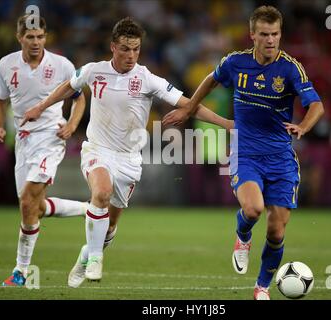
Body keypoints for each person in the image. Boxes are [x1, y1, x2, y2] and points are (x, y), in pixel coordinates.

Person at [21, 17, 233, 288]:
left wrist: (225, 123)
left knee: (109, 226)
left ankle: (88, 253)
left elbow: (190, 103)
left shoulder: (147, 78)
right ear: (113, 47)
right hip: (98, 149)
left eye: (136, 49)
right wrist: (41, 106)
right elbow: (68, 87)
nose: (131, 55)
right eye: (125, 49)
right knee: (101, 193)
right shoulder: (93, 71)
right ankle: (96, 258)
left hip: (130, 159)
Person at [163, 5, 324, 300]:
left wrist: (304, 126)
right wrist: (188, 108)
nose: (271, 40)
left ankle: (261, 287)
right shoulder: (235, 63)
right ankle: (243, 235)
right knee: (252, 209)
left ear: (280, 34)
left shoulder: (290, 68)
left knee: (277, 232)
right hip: (246, 151)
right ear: (252, 35)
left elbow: (317, 105)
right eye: (264, 34)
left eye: (275, 34)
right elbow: (211, 79)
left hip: (281, 158)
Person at [0, 14, 88, 287]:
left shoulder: (61, 65)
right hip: (23, 140)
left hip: (50, 136)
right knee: (33, 207)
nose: (36, 42)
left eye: (40, 37)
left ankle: (20, 272)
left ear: (46, 37)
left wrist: (71, 124)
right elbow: (0, 102)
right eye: (30, 37)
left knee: (27, 200)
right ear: (19, 38)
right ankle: (88, 208)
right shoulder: (6, 65)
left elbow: (80, 99)